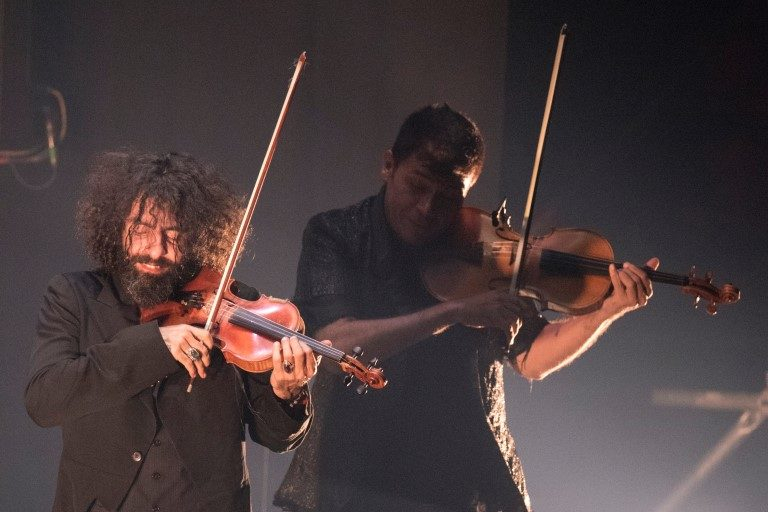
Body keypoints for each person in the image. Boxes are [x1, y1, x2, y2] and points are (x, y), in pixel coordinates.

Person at [274, 104, 658, 512]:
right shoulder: (337, 234)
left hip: (461, 481)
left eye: (448, 198)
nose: (427, 209)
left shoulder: (482, 247)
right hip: (356, 477)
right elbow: (335, 343)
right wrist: (452, 313)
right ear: (389, 164)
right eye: (417, 186)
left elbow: (531, 358)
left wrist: (604, 311)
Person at [25, 150, 319, 512]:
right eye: (141, 231)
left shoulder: (233, 307)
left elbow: (276, 439)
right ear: (116, 227)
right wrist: (155, 344)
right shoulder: (74, 295)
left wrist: (286, 392)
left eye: (173, 236)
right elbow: (44, 401)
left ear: (198, 238)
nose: (156, 250)